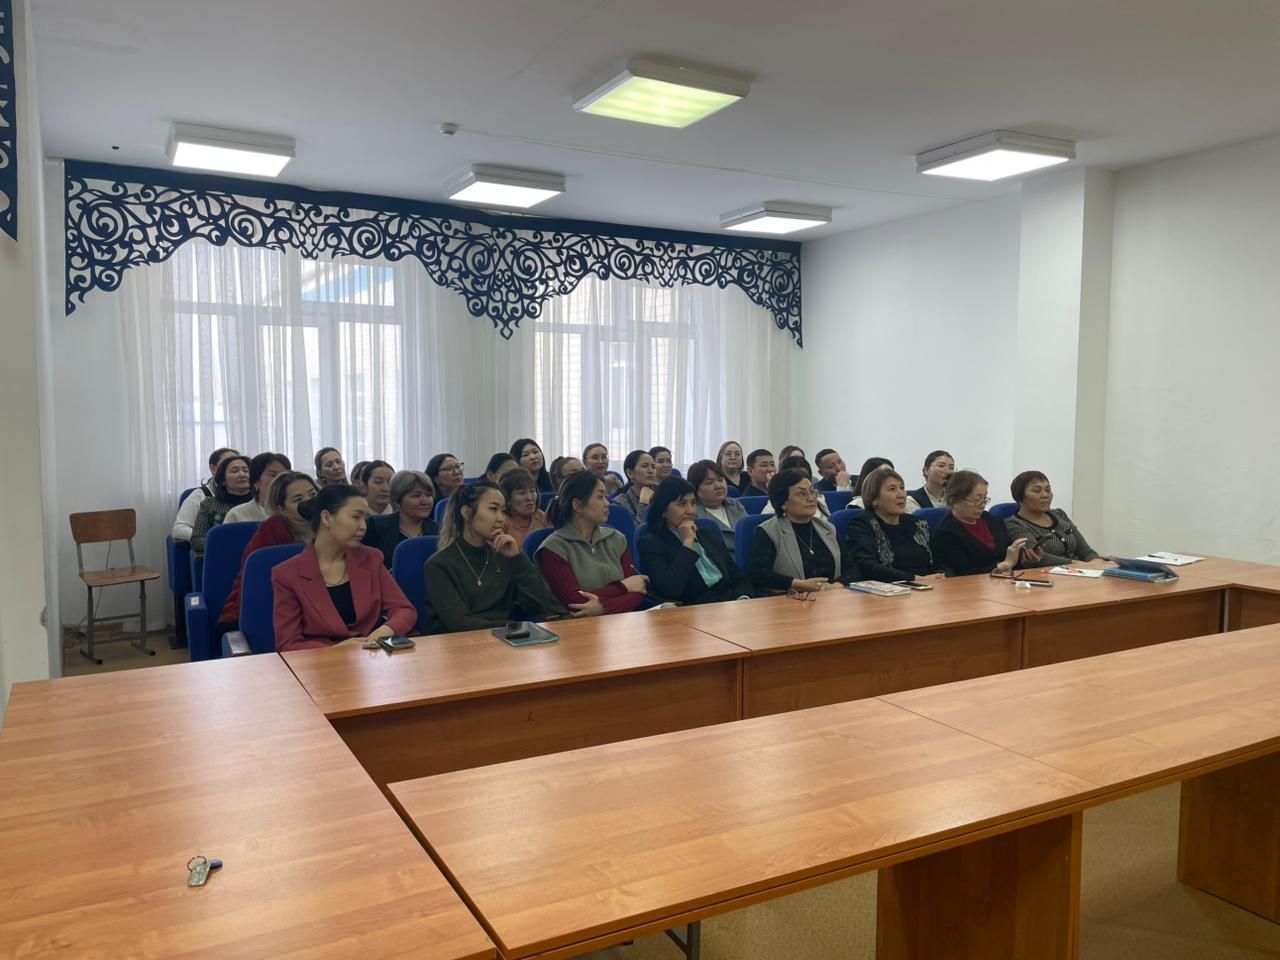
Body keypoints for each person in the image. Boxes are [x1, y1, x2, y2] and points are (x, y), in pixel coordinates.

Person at [272, 484, 416, 651]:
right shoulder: (287, 574)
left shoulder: (371, 558)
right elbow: (288, 643)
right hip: (320, 662)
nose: (363, 526)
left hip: (370, 655)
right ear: (327, 518)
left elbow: (404, 610)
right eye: (356, 517)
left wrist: (382, 632)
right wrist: (337, 650)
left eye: (365, 519)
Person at [423, 481, 565, 634]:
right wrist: (516, 627)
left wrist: (517, 558)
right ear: (467, 513)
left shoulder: (504, 555)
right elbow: (460, 624)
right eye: (493, 509)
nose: (501, 518)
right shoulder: (439, 564)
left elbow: (542, 604)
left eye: (503, 511)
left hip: (509, 638)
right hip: (463, 643)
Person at [536, 471, 648, 616]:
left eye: (606, 496)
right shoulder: (554, 548)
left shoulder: (616, 538)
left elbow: (638, 590)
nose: (607, 503)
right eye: (600, 497)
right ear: (577, 505)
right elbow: (575, 602)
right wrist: (623, 587)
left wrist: (603, 608)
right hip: (577, 626)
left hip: (622, 622)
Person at [218, 472, 318, 627]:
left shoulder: (329, 524)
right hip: (266, 609)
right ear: (282, 509)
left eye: (313, 494)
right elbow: (257, 578)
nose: (309, 501)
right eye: (298, 499)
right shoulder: (272, 529)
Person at [638, 478, 752, 605]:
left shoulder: (709, 534)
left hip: (731, 604)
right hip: (694, 608)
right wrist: (687, 543)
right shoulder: (651, 543)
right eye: (682, 504)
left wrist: (743, 599)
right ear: (663, 510)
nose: (690, 511)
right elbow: (670, 589)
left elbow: (738, 577)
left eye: (693, 503)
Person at [748, 469, 859, 595]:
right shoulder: (769, 531)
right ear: (783, 502)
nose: (811, 498)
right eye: (801, 494)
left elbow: (852, 568)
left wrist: (836, 586)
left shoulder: (828, 528)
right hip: (793, 598)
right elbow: (757, 573)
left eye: (812, 491)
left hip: (832, 597)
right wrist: (796, 584)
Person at [931, 470, 1043, 576]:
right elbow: (962, 573)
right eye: (976, 500)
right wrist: (1003, 565)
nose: (982, 505)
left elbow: (1010, 559)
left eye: (984, 499)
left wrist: (1025, 560)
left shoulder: (993, 520)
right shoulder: (946, 533)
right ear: (953, 501)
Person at [845, 466, 943, 583]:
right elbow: (867, 566)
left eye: (902, 488)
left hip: (929, 585)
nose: (901, 494)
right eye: (892, 489)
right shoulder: (862, 524)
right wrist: (915, 579)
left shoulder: (918, 523)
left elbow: (941, 558)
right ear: (874, 498)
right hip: (888, 588)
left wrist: (941, 576)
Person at [1004, 471, 1104, 565]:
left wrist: (1096, 562)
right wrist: (1080, 565)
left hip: (1083, 570)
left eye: (1048, 490)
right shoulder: (1014, 523)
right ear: (1019, 496)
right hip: (1049, 573)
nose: (1045, 495)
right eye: (1037, 491)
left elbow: (1085, 550)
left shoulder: (1059, 514)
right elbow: (1038, 557)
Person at [362, 470, 439, 568]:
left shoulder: (438, 530)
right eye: (416, 495)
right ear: (397, 501)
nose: (425, 501)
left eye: (429, 495)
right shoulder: (375, 526)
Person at [191, 454, 254, 557]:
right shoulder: (209, 504)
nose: (242, 474)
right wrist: (227, 545)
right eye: (235, 471)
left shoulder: (262, 503)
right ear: (223, 480)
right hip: (223, 556)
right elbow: (197, 540)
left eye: (246, 471)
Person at [172, 447, 239, 541]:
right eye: (227, 464)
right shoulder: (201, 495)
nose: (233, 467)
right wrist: (206, 538)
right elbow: (179, 529)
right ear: (213, 468)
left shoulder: (253, 494)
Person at [687, 459, 748, 552]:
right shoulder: (693, 514)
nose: (719, 486)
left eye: (720, 480)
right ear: (695, 488)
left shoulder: (735, 504)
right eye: (709, 482)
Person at [225, 453, 293, 523]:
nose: (280, 480)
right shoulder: (237, 515)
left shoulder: (295, 512)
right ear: (256, 481)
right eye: (273, 475)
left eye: (285, 475)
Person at [760, 457, 830, 516]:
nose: (810, 498)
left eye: (804, 476)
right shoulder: (771, 509)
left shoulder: (819, 500)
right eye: (795, 479)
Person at [499, 467, 549, 549]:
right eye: (521, 493)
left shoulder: (543, 518)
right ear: (507, 499)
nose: (529, 498)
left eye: (532, 491)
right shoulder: (501, 523)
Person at [850, 457, 918, 511]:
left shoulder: (908, 503)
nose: (890, 476)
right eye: (884, 473)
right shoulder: (858, 504)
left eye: (892, 472)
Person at [614, 449, 659, 524]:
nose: (651, 471)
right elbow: (634, 531)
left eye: (653, 467)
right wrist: (643, 504)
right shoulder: (619, 503)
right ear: (630, 473)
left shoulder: (661, 496)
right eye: (645, 466)